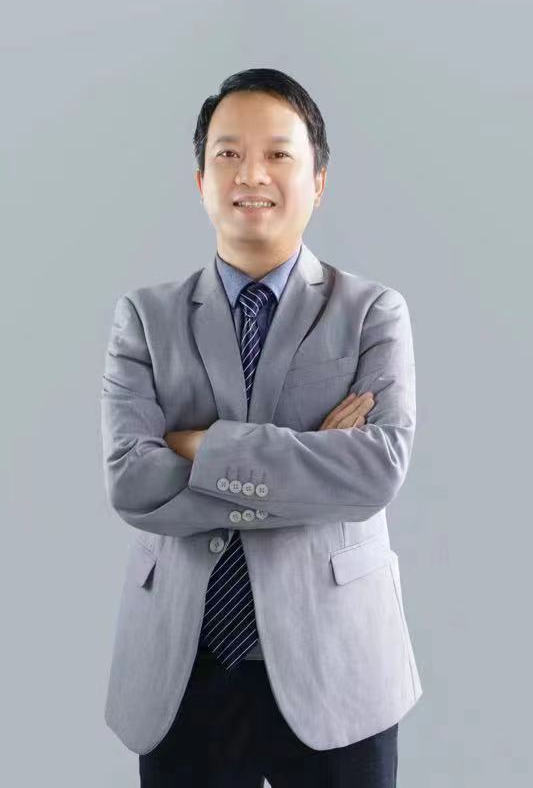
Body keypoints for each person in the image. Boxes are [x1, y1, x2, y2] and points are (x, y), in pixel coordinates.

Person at [101, 67, 422, 787]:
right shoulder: (144, 319)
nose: (252, 174)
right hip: (184, 666)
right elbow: (131, 480)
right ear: (200, 180)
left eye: (278, 153)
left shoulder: (372, 312)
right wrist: (311, 463)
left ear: (318, 180)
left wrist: (196, 445)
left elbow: (374, 472)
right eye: (228, 154)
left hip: (340, 660)